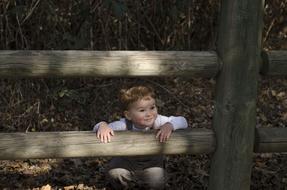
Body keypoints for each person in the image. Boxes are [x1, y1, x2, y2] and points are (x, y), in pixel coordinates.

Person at [93, 85, 188, 189]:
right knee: (115, 173)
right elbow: (101, 128)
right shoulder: (124, 124)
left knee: (157, 178)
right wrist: (102, 125)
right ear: (128, 115)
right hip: (126, 164)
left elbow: (183, 121)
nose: (149, 114)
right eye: (142, 110)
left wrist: (170, 125)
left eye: (152, 107)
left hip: (151, 165)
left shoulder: (158, 121)